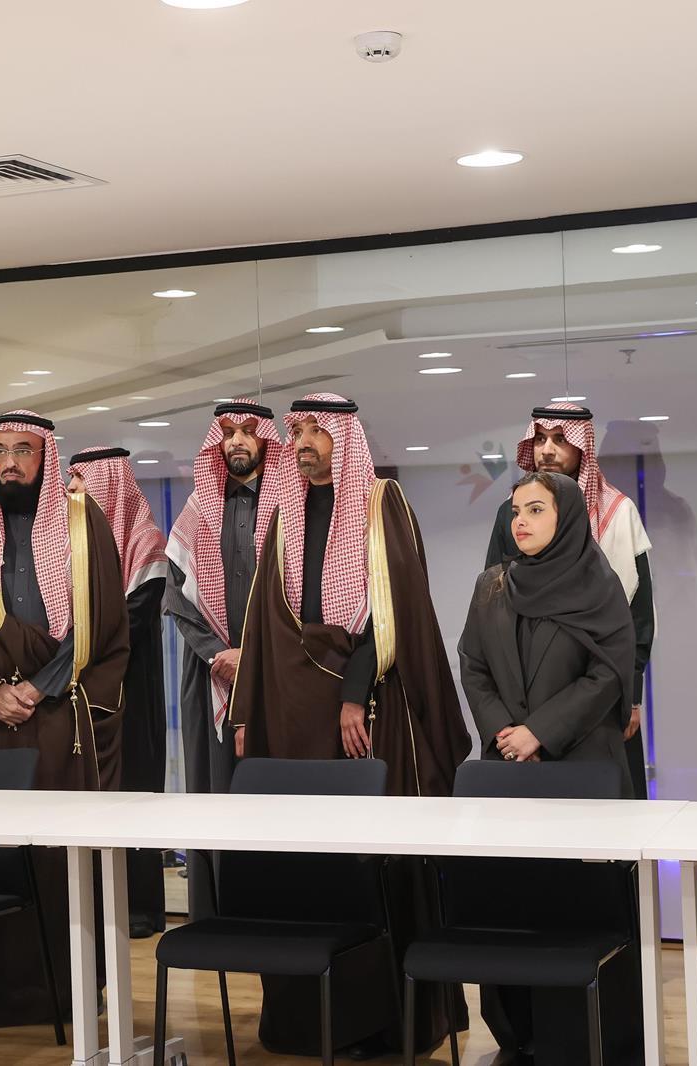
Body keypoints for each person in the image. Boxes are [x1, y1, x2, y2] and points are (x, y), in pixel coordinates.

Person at [230, 392, 472, 1058]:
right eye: (298, 430)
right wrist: (249, 711)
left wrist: (353, 694)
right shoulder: (283, 515)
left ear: (345, 437)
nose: (304, 441)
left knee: (369, 867)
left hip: (367, 713)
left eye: (317, 430)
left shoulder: (379, 503)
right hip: (290, 718)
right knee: (303, 868)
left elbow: (391, 609)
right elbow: (262, 626)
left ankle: (385, 1023)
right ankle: (305, 1021)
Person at [0, 410, 129, 1028]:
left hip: (60, 718)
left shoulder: (83, 521)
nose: (11, 464)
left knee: (57, 861)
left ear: (45, 456)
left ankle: (70, 991)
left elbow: (103, 620)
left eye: (23, 450)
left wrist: (39, 688)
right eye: (1, 452)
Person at [460, 472, 640, 1062]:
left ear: (566, 518)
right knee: (513, 907)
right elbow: (473, 665)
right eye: (516, 511)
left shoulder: (599, 585)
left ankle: (588, 1043)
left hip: (580, 770)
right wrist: (504, 733)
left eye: (536, 510)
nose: (521, 521)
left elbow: (609, 673)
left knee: (579, 912)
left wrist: (541, 731)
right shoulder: (492, 585)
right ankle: (519, 1040)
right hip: (510, 773)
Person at [484, 403, 656, 796]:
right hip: (523, 700)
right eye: (540, 439)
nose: (547, 450)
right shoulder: (510, 515)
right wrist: (508, 725)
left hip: (596, 694)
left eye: (561, 440)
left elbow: (637, 615)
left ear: (582, 447)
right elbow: (492, 607)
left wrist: (631, 695)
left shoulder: (617, 511)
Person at [162, 399, 287, 920]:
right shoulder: (198, 509)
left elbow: (302, 597)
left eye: (247, 430)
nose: (237, 440)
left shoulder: (288, 507)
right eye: (228, 431)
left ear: (265, 440)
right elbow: (177, 598)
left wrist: (253, 658)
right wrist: (220, 655)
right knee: (212, 796)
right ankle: (215, 921)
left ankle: (273, 917)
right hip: (208, 674)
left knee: (269, 795)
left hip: (277, 676)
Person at [67, 445, 170, 938]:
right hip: (81, 692)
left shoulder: (145, 543)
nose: (72, 489)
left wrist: (75, 646)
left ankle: (140, 908)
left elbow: (129, 620)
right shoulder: (70, 541)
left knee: (134, 794)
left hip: (131, 694)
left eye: (82, 480)